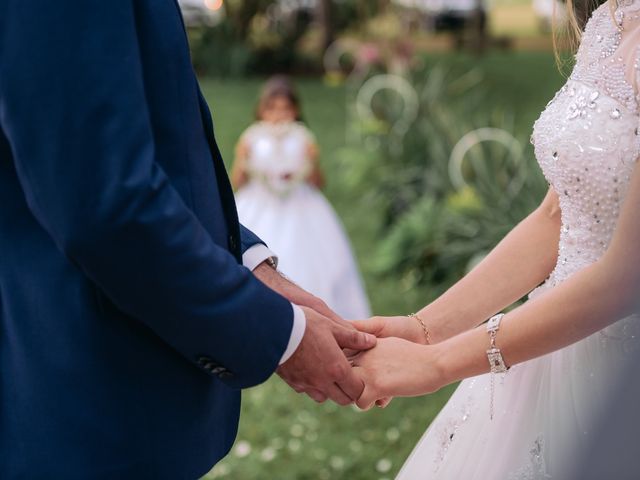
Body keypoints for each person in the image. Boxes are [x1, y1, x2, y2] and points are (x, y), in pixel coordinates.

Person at [0, 2, 376, 478]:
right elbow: (102, 201)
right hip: (80, 393)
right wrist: (280, 335)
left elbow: (159, 150)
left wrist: (252, 266)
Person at [351, 1, 640, 478]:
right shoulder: (613, 19)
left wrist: (438, 363)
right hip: (546, 342)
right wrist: (424, 329)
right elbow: (557, 215)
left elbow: (626, 276)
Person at [232, 76, 371, 320]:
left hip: (301, 207)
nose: (278, 114)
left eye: (285, 108)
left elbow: (318, 182)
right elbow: (236, 180)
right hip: (259, 205)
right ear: (261, 110)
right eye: (272, 108)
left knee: (313, 263)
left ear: (295, 110)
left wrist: (312, 161)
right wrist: (243, 160)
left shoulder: (303, 138)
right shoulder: (251, 138)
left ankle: (315, 314)